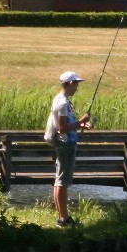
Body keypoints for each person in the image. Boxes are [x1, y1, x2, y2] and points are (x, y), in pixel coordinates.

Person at [44, 70, 91, 226]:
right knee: (62, 182)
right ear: (70, 83)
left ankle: (62, 216)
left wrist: (81, 125)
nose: (77, 87)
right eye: (76, 83)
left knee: (59, 180)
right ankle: (63, 219)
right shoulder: (63, 103)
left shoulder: (61, 99)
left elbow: (65, 125)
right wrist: (80, 122)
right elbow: (62, 128)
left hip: (65, 143)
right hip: (66, 144)